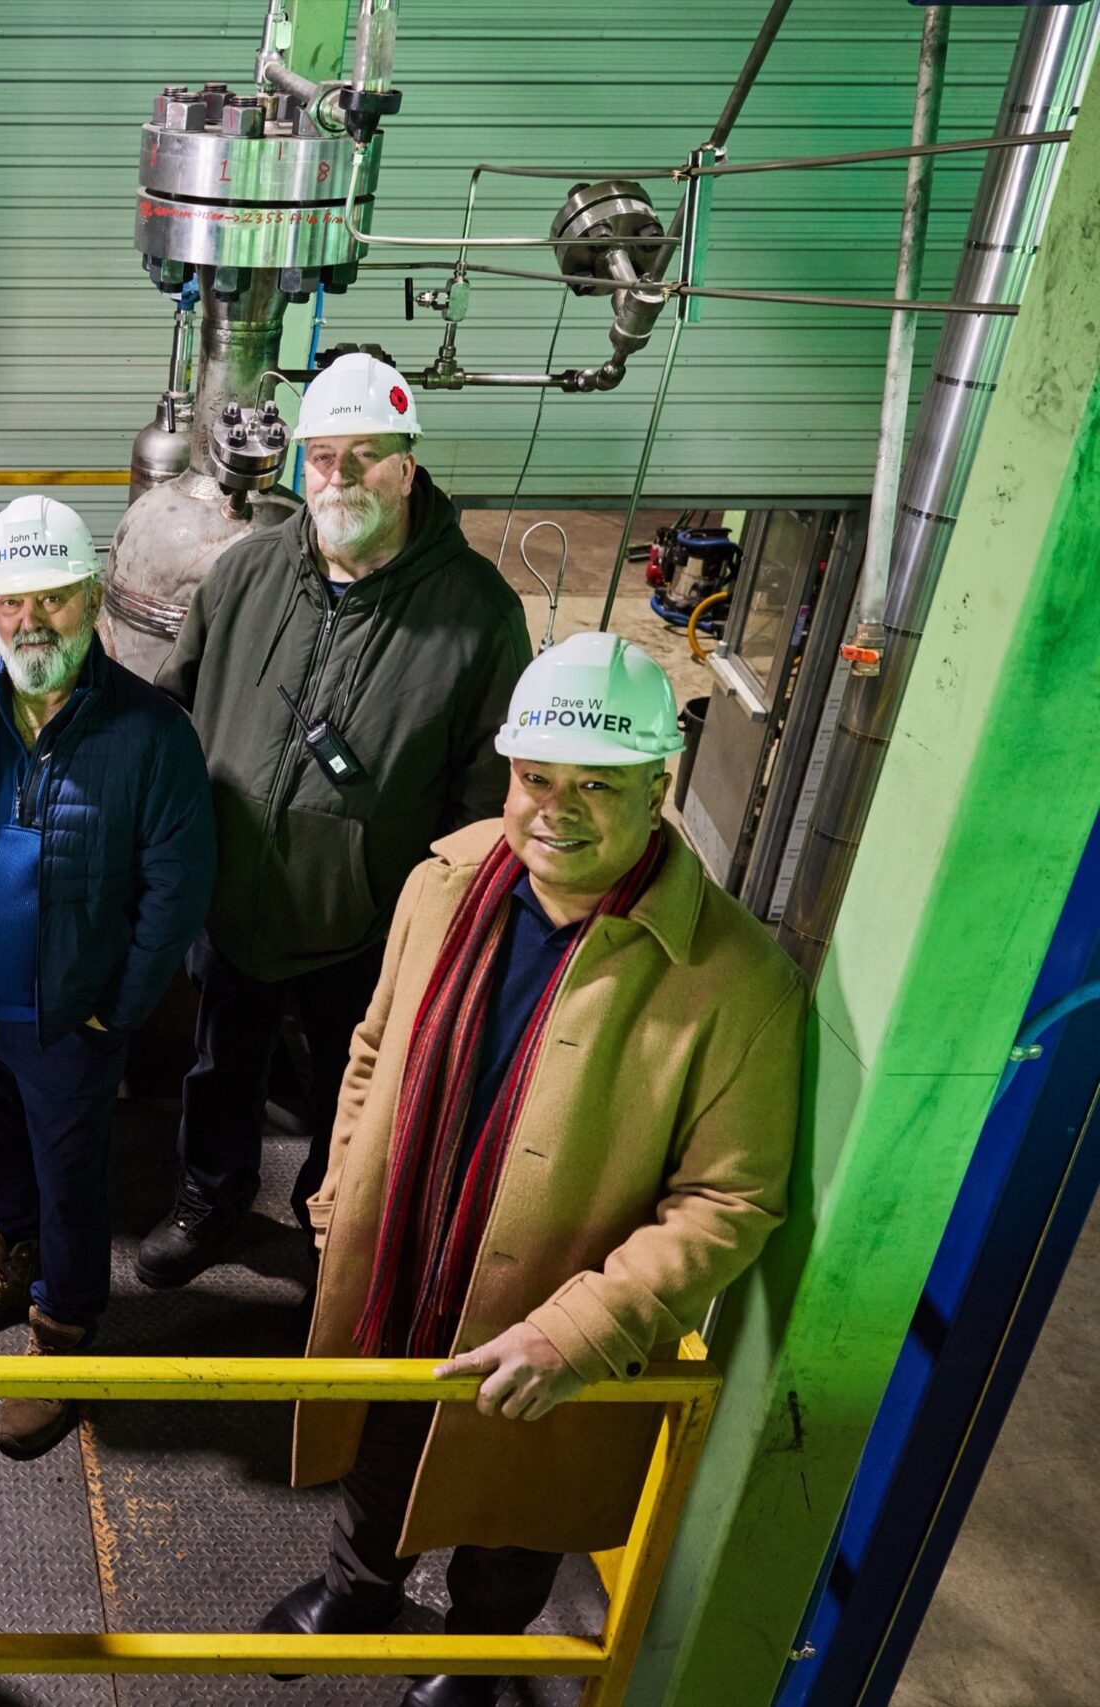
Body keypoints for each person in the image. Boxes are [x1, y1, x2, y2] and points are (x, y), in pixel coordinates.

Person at [256, 635, 805, 1707]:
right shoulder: (445, 881)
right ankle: (359, 1588)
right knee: (380, 1438)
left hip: (545, 1309)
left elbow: (729, 1201)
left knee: (515, 1499)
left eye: (596, 786)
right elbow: (372, 1048)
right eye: (535, 777)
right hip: (406, 1258)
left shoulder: (736, 980)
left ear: (660, 787)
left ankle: (479, 1650)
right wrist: (339, 1198)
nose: (555, 808)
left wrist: (583, 1331)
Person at [148, 354, 533, 1286]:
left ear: (408, 465)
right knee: (219, 1067)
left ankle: (327, 1218)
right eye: (324, 457)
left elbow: (487, 800)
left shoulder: (478, 615)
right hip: (232, 903)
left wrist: (434, 928)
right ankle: (210, 1198)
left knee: (348, 1085)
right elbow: (174, 707)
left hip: (368, 926)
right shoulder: (243, 577)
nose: (341, 477)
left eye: (367, 456)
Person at [0, 496, 214, 1460]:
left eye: (54, 599)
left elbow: (176, 889)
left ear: (93, 599)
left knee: (74, 1181)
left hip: (74, 1021)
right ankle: (6, 1260)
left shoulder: (151, 734)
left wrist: (117, 1008)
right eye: (11, 603)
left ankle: (61, 1334)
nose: (32, 622)